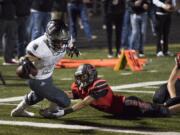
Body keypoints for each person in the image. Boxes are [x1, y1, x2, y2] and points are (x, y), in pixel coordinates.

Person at [40, 64, 180, 119]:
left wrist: (64, 112)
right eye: (79, 77)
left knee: (164, 111)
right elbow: (71, 94)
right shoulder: (80, 87)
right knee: (155, 113)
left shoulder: (100, 84)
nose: (80, 80)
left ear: (91, 75)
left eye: (83, 77)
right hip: (119, 113)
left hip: (128, 104)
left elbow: (85, 102)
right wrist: (52, 93)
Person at [11, 20, 80, 117]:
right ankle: (50, 112)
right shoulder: (39, 46)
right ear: (49, 37)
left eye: (62, 42)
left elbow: (69, 43)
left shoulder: (66, 38)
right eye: (58, 42)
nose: (61, 45)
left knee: (38, 96)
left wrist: (72, 47)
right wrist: (24, 61)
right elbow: (27, 58)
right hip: (37, 79)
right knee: (64, 101)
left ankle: (18, 111)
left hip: (47, 75)